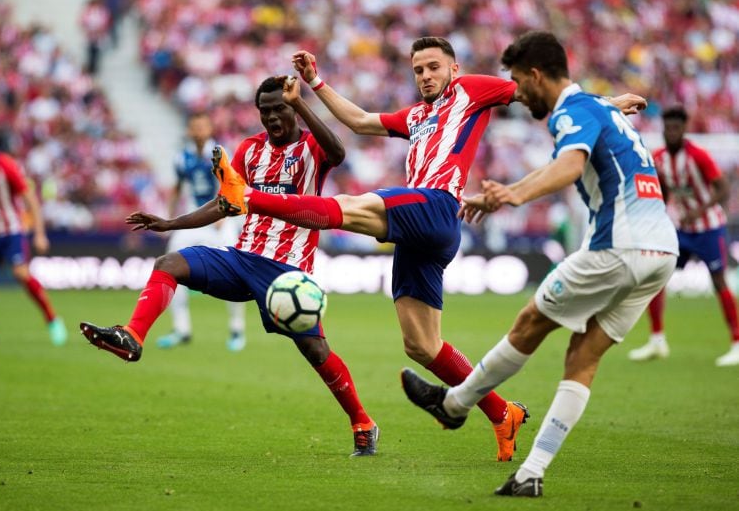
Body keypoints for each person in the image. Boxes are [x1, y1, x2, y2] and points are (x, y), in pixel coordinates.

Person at [211, 36, 645, 462]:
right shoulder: (416, 116)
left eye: (434, 67)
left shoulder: (471, 89)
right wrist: (317, 83)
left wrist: (608, 105)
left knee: (347, 205)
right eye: (418, 69)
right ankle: (503, 413)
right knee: (421, 345)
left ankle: (246, 197)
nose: (425, 75)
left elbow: (540, 91)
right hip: (420, 232)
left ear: (453, 68)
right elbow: (361, 120)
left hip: (436, 205)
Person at [398, 30, 678, 497]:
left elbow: (568, 166)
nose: (517, 94)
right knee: (581, 358)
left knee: (529, 322)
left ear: (535, 75)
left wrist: (513, 195)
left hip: (619, 247)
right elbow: (572, 154)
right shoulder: (597, 107)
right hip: (660, 253)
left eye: (518, 83)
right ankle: (530, 475)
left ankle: (455, 404)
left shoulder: (571, 110)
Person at [79, 76, 379, 456]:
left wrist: (302, 103)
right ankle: (133, 336)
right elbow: (226, 203)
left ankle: (362, 422)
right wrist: (170, 223)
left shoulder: (310, 146)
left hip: (285, 272)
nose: (272, 117)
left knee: (316, 352)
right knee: (169, 263)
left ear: (292, 109)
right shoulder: (250, 150)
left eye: (279, 109)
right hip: (241, 257)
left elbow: (337, 154)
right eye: (265, 111)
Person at [629, 106, 739, 367]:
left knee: (719, 282)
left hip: (709, 228)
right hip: (681, 230)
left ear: (684, 129)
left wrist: (699, 211)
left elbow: (723, 188)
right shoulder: (659, 158)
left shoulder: (698, 156)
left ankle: (736, 343)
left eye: (676, 128)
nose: (671, 133)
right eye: (667, 128)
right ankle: (657, 340)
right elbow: (663, 192)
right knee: (656, 276)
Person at [156, 113, 248, 352]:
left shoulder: (219, 152)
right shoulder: (181, 158)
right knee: (168, 266)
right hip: (192, 216)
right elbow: (177, 188)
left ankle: (237, 329)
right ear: (189, 130)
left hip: (218, 218)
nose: (198, 131)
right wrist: (169, 217)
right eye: (194, 127)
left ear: (209, 129)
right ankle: (181, 329)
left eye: (202, 127)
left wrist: (223, 212)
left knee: (235, 271)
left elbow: (230, 182)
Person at [0, 123, 67, 347]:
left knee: (21, 274)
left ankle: (53, 319)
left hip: (11, 230)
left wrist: (39, 233)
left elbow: (30, 199)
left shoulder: (6, 166)